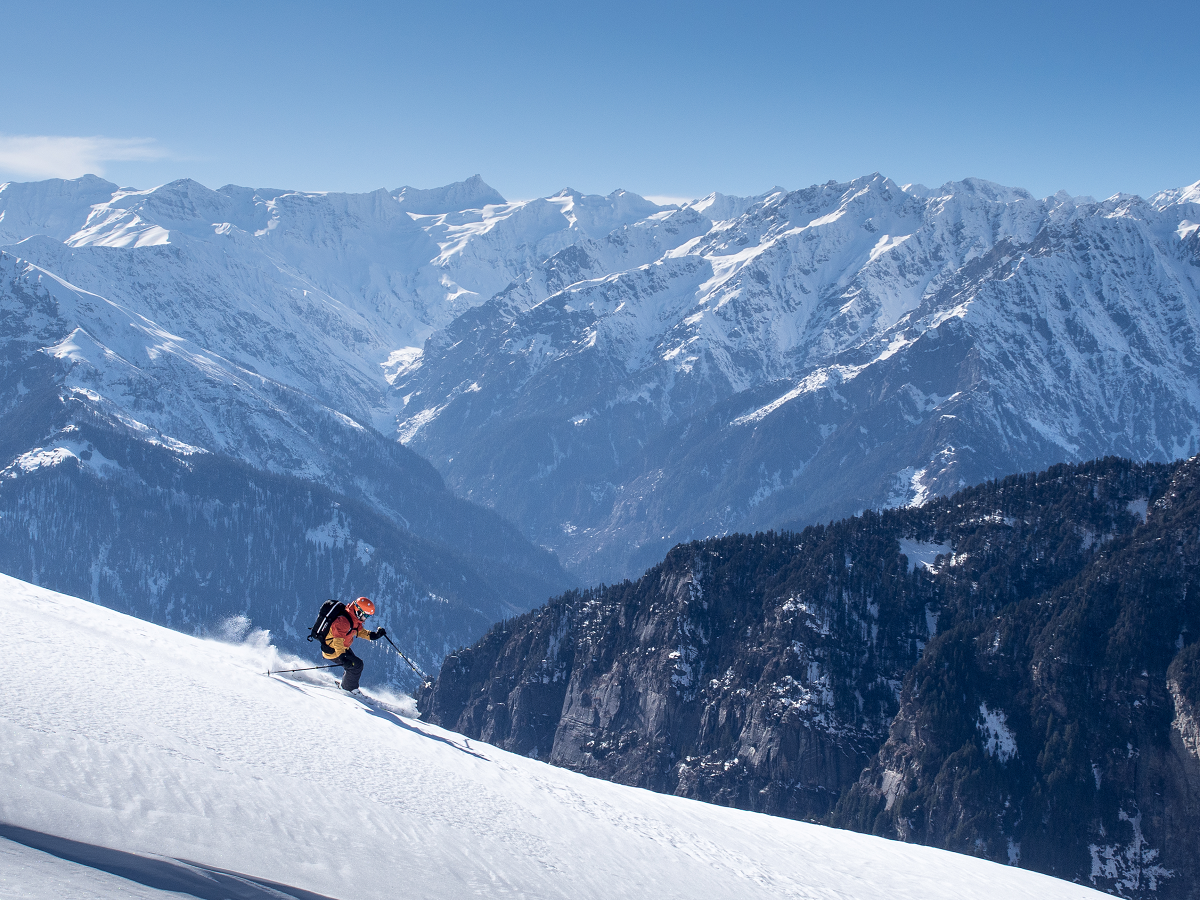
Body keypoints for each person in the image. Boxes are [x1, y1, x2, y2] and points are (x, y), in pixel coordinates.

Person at [320, 597, 386, 691]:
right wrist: (342, 658)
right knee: (356, 666)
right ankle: (348, 690)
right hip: (333, 650)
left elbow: (358, 631)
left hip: (342, 648)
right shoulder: (343, 622)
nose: (366, 619)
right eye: (366, 616)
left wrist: (374, 635)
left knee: (354, 665)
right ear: (359, 611)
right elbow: (337, 641)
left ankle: (346, 685)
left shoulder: (353, 618)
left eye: (369, 616)